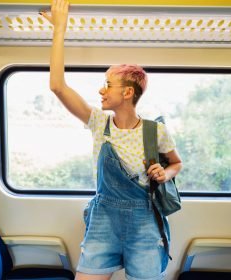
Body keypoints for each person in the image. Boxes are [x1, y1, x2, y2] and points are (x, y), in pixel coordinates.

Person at [41, 1, 182, 279]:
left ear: (128, 93)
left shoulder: (155, 131)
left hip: (144, 221)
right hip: (103, 218)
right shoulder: (98, 123)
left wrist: (164, 174)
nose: (101, 89)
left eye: (108, 84)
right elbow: (57, 86)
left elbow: (176, 164)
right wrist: (59, 29)